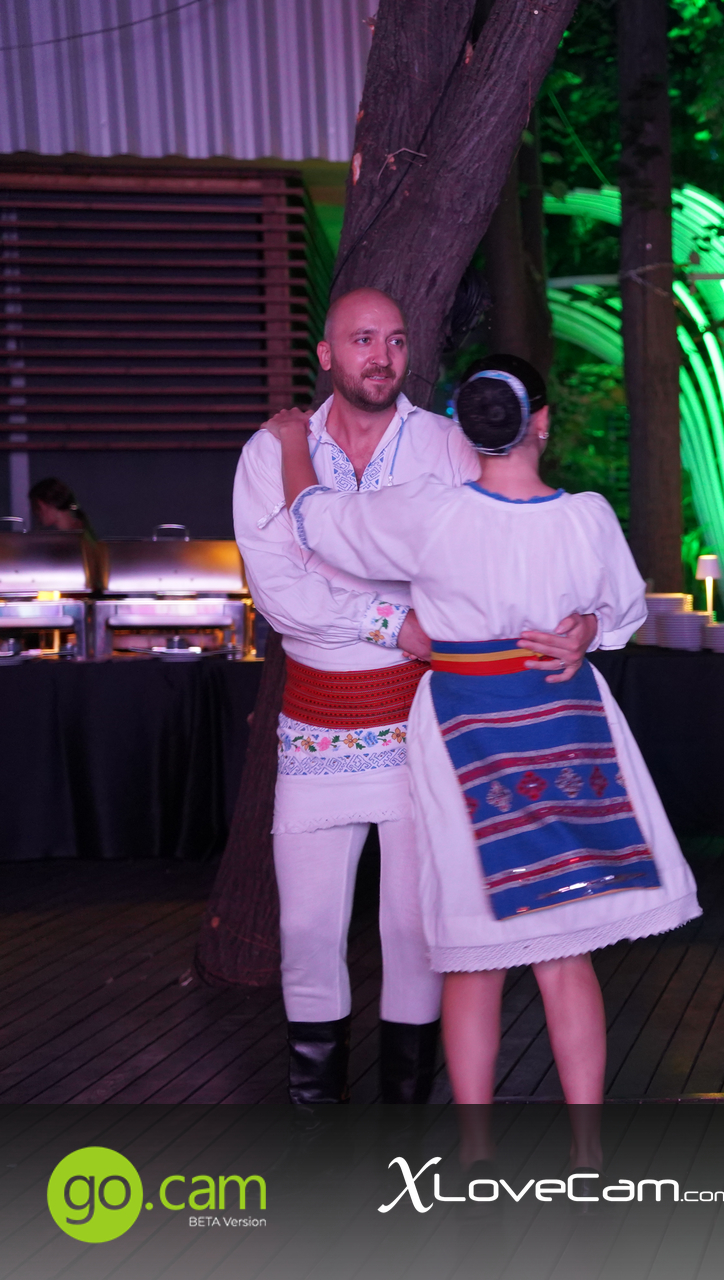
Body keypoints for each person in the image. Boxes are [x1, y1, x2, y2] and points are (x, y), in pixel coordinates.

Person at [267, 356, 701, 1107]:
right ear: (542, 420)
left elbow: (317, 521)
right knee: (565, 951)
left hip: (467, 721)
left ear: (466, 430)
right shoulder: (586, 515)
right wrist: (585, 628)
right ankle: (588, 1149)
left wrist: (290, 443)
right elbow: (625, 611)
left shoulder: (431, 512)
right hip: (563, 717)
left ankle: (473, 1149)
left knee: (474, 952)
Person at [232, 289, 595, 1104]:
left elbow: (494, 553)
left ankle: (406, 1124)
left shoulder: (445, 445)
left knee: (413, 928)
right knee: (305, 931)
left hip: (423, 720)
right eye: (363, 339)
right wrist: (395, 621)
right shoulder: (271, 451)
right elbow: (281, 595)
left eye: (395, 341)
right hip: (316, 722)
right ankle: (315, 1124)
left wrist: (582, 618)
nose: (382, 357)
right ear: (327, 354)